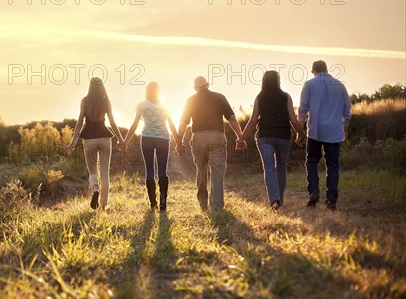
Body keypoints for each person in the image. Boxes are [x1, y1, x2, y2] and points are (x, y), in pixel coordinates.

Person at [240, 70, 307, 211]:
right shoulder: (285, 97)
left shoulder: (260, 98)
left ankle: (274, 200)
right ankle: (279, 201)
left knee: (269, 169)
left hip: (265, 137)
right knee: (281, 167)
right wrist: (302, 134)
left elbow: (252, 122)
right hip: (283, 137)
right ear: (278, 81)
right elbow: (294, 120)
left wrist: (241, 138)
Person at [178, 76, 246, 211]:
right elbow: (232, 118)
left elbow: (183, 123)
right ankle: (216, 205)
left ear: (195, 88)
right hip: (217, 136)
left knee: (201, 169)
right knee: (217, 170)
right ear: (208, 85)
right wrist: (241, 137)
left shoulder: (190, 100)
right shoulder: (219, 97)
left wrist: (179, 141)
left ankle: (203, 202)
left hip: (198, 137)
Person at [122, 82, 184, 211]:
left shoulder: (142, 105)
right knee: (162, 171)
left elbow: (134, 124)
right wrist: (178, 141)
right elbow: (172, 125)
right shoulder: (164, 106)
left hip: (147, 139)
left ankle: (152, 203)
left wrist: (125, 141)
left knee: (149, 170)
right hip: (163, 139)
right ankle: (163, 202)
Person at [64, 77, 125, 210]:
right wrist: (121, 139)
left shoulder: (85, 101)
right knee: (104, 174)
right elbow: (113, 123)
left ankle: (95, 189)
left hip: (89, 139)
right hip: (104, 138)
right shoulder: (106, 101)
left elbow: (79, 123)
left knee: (92, 172)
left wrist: (72, 144)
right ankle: (103, 206)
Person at [298, 60, 351, 210]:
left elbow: (303, 109)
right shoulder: (340, 85)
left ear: (314, 70)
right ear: (326, 69)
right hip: (334, 131)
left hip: (315, 130)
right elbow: (347, 112)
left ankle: (313, 192)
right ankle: (331, 200)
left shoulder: (309, 84)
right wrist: (344, 130)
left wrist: (300, 132)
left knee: (312, 161)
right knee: (332, 165)